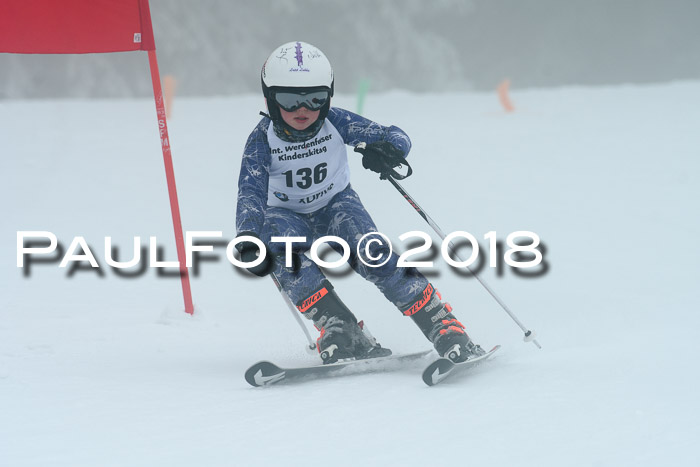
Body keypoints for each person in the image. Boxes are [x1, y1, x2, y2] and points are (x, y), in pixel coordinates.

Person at [235, 41, 484, 364]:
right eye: (289, 99)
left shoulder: (335, 122)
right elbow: (250, 192)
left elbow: (394, 135)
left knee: (373, 253)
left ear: (329, 97)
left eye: (315, 98)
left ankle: (441, 324)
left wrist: (389, 149)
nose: (303, 109)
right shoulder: (262, 139)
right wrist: (248, 237)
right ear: (270, 98)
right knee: (285, 256)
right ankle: (340, 327)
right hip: (286, 215)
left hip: (336, 206)